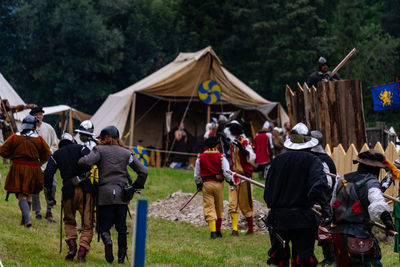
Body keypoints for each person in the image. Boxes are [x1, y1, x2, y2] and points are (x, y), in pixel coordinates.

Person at [264, 122, 331, 267]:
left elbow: (267, 192)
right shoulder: (313, 160)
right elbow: (319, 186)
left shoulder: (277, 161)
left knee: (277, 258)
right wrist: (325, 207)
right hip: (302, 219)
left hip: (278, 219)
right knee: (303, 259)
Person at [78, 125, 147, 264]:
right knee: (121, 228)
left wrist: (80, 159)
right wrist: (134, 187)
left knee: (104, 226)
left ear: (104, 138)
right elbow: (143, 171)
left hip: (104, 194)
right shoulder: (126, 153)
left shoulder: (99, 149)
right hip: (122, 195)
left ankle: (108, 241)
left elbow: (86, 162)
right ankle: (121, 258)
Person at [330, 150, 396, 267]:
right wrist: (388, 222)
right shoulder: (371, 181)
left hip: (338, 234)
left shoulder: (342, 179)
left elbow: (333, 204)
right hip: (357, 236)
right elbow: (377, 203)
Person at [43, 132, 94, 262]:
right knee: (87, 223)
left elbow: (48, 173)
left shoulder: (56, 154)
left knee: (69, 221)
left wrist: (49, 192)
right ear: (73, 141)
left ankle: (72, 248)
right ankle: (82, 252)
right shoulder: (82, 148)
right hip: (86, 190)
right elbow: (92, 160)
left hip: (68, 190)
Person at [0, 115, 51, 227]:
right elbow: (47, 154)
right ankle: (24, 221)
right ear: (33, 127)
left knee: (21, 195)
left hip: (18, 167)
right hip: (34, 169)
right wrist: (39, 163)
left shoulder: (14, 137)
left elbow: (2, 151)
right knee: (27, 194)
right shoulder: (39, 139)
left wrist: (12, 156)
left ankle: (27, 219)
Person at [194, 136, 233, 239]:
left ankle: (213, 232)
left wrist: (198, 183)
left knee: (209, 207)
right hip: (218, 184)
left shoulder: (200, 157)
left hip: (207, 184)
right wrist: (229, 180)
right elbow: (226, 171)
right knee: (219, 206)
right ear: (217, 145)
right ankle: (219, 231)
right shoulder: (221, 157)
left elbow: (196, 174)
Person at [310, 130, 337, 266]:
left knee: (324, 230)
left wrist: (320, 197)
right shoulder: (317, 157)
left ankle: (331, 257)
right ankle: (328, 257)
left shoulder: (322, 159)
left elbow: (327, 182)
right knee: (319, 230)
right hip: (319, 199)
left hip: (323, 200)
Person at [30, 106, 59, 222]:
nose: (38, 116)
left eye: (40, 114)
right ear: (32, 116)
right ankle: (37, 212)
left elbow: (55, 144)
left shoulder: (49, 128)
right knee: (35, 188)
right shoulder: (29, 129)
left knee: (52, 186)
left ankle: (49, 211)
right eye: (36, 114)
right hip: (34, 164)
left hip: (48, 164)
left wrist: (50, 152)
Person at [228, 123, 256, 236]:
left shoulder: (245, 142)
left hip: (245, 177)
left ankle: (251, 229)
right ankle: (235, 230)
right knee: (232, 203)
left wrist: (241, 147)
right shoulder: (231, 143)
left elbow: (252, 157)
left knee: (246, 204)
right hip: (235, 176)